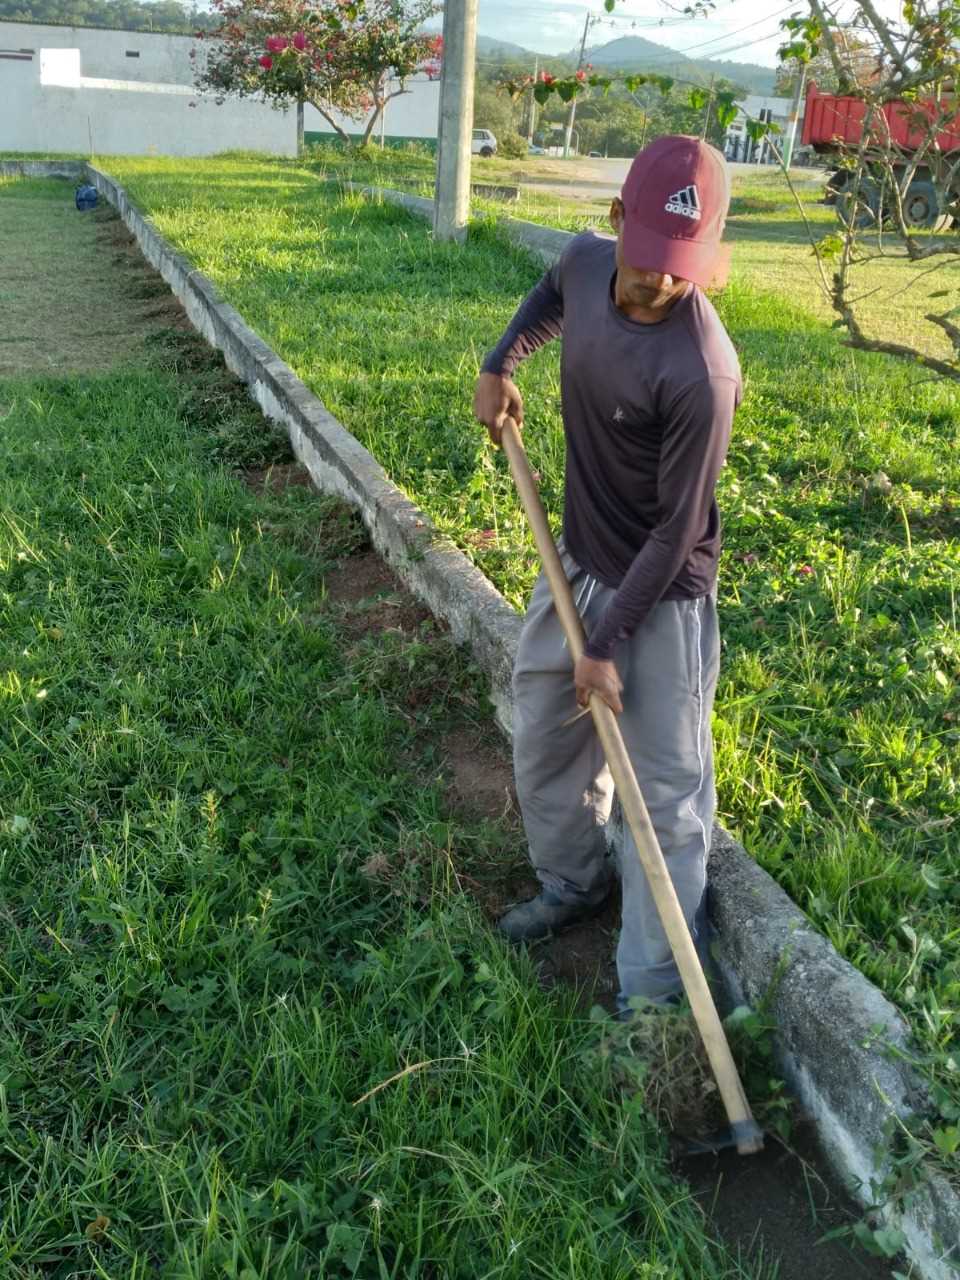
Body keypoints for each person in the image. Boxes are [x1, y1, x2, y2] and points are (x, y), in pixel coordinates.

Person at [472, 135, 741, 1015]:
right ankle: (573, 883)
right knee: (545, 731)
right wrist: (501, 363)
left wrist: (608, 644)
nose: (659, 280)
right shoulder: (588, 263)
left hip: (660, 599)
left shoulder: (702, 370)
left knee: (664, 798)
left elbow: (677, 530)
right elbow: (553, 292)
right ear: (617, 219)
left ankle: (654, 999)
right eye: (648, 254)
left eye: (680, 265)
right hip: (580, 561)